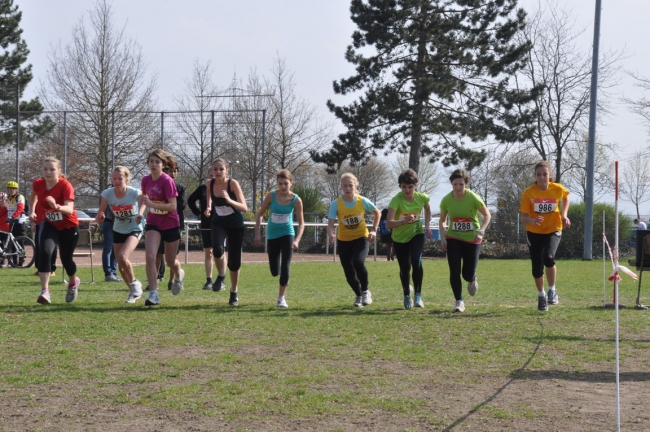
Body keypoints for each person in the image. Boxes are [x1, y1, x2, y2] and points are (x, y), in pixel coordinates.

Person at [519, 160, 571, 311]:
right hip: (534, 232)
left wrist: (564, 214)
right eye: (539, 175)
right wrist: (532, 220)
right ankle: (541, 295)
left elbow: (566, 197)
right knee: (536, 268)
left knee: (548, 257)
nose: (542, 177)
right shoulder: (529, 193)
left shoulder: (557, 188)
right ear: (535, 176)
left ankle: (552, 290)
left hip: (553, 229)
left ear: (550, 175)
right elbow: (523, 218)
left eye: (544, 174)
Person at [29, 156, 81, 305]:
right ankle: (45, 291)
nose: (48, 172)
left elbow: (69, 210)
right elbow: (33, 194)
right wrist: (32, 210)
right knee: (45, 251)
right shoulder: (38, 183)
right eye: (45, 169)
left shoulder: (66, 186)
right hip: (49, 223)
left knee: (66, 259)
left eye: (52, 169)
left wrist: (56, 206)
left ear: (58, 171)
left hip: (68, 225)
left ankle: (72, 283)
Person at [439, 169, 491, 313]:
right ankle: (459, 301)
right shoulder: (446, 200)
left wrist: (481, 231)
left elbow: (487, 215)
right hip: (453, 237)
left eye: (461, 184)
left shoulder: (473, 198)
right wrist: (443, 237)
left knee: (466, 274)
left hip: (472, 238)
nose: (458, 187)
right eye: (455, 184)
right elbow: (442, 221)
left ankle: (472, 277)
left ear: (466, 185)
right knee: (454, 270)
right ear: (451, 184)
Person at [327, 173, 380, 308]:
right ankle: (358, 295)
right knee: (348, 272)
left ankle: (366, 291)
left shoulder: (361, 201)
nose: (348, 188)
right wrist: (331, 233)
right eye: (345, 185)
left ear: (355, 186)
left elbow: (377, 212)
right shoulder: (336, 204)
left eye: (350, 185)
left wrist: (374, 229)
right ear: (341, 187)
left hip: (361, 237)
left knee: (358, 262)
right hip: (344, 240)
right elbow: (331, 222)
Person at [254, 169, 305, 308]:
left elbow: (301, 224)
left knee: (286, 265)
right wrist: (257, 234)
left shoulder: (296, 200)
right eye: (280, 184)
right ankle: (282, 274)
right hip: (272, 235)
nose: (283, 187)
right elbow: (259, 214)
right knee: (275, 271)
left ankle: (281, 298)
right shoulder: (271, 196)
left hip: (288, 233)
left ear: (291, 183)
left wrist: (297, 240)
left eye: (285, 184)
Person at [140, 149, 185, 306]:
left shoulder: (167, 181)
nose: (153, 164)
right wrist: (140, 212)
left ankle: (179, 274)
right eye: (151, 161)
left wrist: (152, 204)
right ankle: (154, 294)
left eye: (157, 162)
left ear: (163, 164)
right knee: (150, 256)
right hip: (153, 222)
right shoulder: (145, 180)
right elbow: (144, 198)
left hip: (171, 223)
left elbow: (173, 206)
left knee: (171, 261)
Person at [97, 166, 145, 303]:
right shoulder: (107, 194)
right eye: (114, 179)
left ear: (127, 179)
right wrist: (99, 217)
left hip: (135, 226)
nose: (116, 181)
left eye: (120, 178)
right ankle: (133, 292)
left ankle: (135, 283)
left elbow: (144, 200)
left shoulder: (133, 192)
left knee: (123, 256)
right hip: (118, 228)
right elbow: (100, 214)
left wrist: (140, 213)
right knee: (120, 262)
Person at [205, 158, 248, 306]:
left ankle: (234, 292)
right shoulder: (209, 183)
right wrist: (209, 207)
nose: (217, 172)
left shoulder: (232, 184)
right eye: (215, 169)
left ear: (226, 171)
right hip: (219, 222)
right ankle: (221, 276)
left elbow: (244, 207)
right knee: (216, 248)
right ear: (212, 170)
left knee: (234, 262)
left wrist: (229, 200)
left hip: (236, 225)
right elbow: (209, 197)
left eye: (221, 169)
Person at [386, 169, 431, 309]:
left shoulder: (422, 197)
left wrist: (427, 226)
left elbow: (427, 209)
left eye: (410, 187)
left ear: (416, 185)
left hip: (416, 233)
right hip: (399, 238)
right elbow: (388, 223)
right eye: (404, 187)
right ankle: (406, 294)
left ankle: (418, 295)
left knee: (416, 260)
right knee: (405, 268)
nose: (407, 190)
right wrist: (404, 221)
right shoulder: (396, 200)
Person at [153, 165, 186, 290]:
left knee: (172, 256)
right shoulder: (158, 186)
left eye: (175, 171)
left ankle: (172, 281)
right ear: (164, 171)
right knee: (157, 253)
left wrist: (168, 203)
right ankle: (154, 280)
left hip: (175, 224)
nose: (173, 173)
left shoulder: (181, 188)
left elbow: (181, 205)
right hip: (158, 223)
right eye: (170, 171)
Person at [188, 172, 217, 290]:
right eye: (210, 175)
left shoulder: (223, 188)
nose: (213, 177)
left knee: (219, 252)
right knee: (208, 252)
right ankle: (209, 280)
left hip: (220, 223)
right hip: (206, 223)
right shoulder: (202, 189)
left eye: (215, 175)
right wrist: (198, 213)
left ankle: (221, 278)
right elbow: (190, 201)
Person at [5, 181, 27, 267]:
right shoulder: (8, 198)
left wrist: (13, 217)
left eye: (12, 189)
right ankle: (14, 262)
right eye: (9, 188)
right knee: (12, 241)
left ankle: (21, 262)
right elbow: (5, 209)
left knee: (19, 241)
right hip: (11, 221)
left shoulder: (20, 197)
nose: (10, 190)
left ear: (16, 189)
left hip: (19, 221)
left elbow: (20, 208)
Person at [101, 201, 120, 282]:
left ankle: (114, 272)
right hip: (109, 222)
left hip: (119, 223)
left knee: (116, 248)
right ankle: (108, 274)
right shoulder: (107, 194)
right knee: (108, 249)